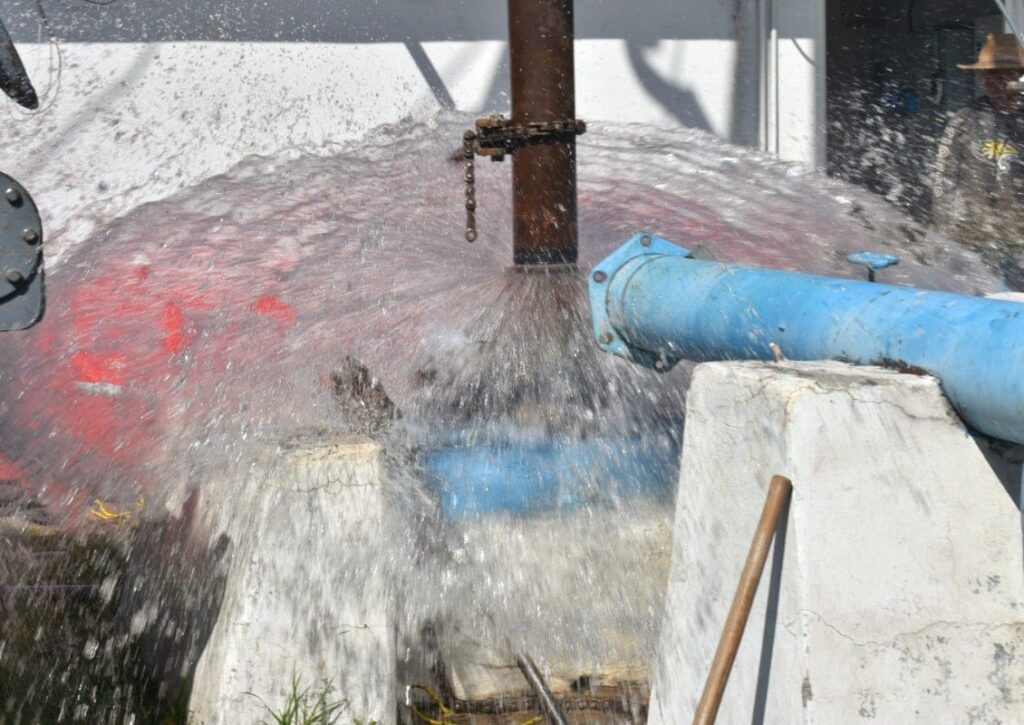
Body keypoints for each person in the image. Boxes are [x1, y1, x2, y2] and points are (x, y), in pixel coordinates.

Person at [932, 33, 1024, 274]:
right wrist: (943, 237)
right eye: (986, 74)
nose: (992, 80)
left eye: (1000, 73)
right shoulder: (964, 120)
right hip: (972, 242)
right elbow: (944, 180)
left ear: (1017, 75)